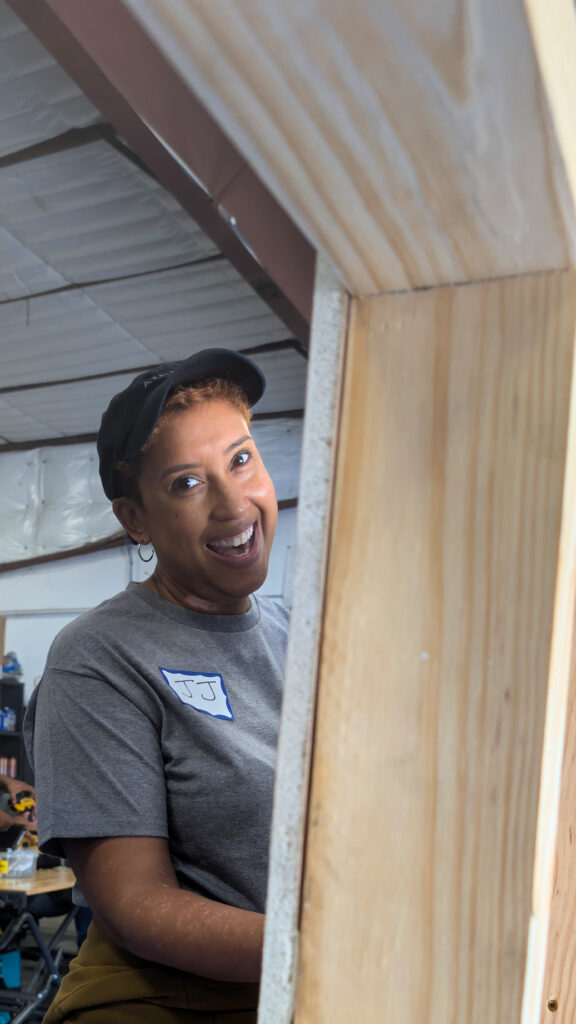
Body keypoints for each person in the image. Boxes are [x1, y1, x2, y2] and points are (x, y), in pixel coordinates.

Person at [24, 349, 289, 1023]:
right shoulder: (100, 655)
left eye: (239, 459)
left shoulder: (307, 637)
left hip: (305, 992)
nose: (234, 505)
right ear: (134, 519)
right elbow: (141, 907)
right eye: (185, 484)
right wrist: (322, 947)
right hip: (164, 1001)